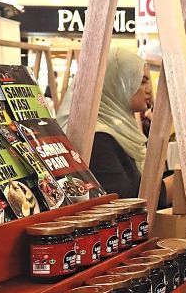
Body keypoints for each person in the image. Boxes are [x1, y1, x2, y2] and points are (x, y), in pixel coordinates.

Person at [57, 46, 151, 199]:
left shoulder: (117, 129)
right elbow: (121, 196)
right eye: (141, 81)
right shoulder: (97, 138)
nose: (148, 90)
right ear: (116, 84)